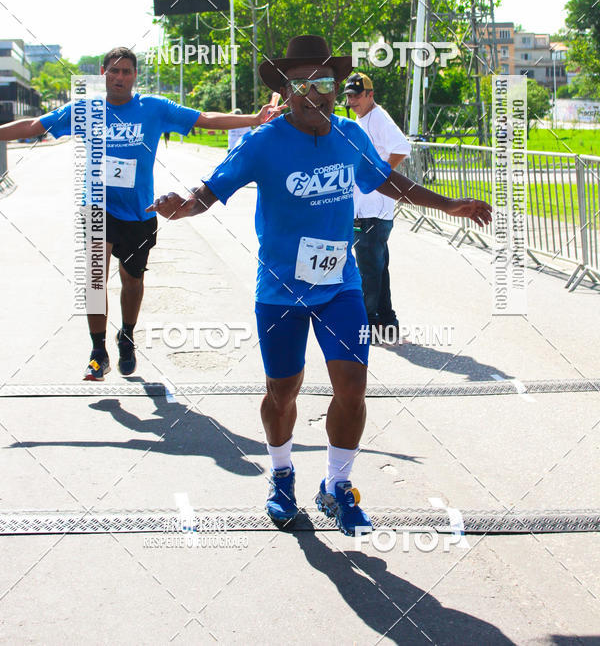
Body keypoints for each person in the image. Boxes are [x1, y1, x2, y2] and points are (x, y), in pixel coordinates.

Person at [148, 35, 492, 536]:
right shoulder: (263, 142)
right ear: (287, 91)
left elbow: (384, 180)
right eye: (305, 83)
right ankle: (282, 474)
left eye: (326, 82)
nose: (318, 92)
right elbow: (211, 189)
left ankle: (337, 486)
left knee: (353, 387)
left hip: (339, 286)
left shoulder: (350, 134)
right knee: (282, 391)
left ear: (335, 88)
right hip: (281, 292)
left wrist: (448, 204)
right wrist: (180, 204)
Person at [0, 46, 278, 382]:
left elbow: (204, 118)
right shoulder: (85, 110)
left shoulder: (153, 108)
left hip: (138, 211)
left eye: (126, 71)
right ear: (103, 74)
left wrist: (254, 119)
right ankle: (97, 351)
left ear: (135, 76)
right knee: (94, 278)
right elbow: (33, 125)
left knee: (133, 281)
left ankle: (127, 336)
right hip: (97, 205)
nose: (119, 77)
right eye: (113, 71)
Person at [344, 71, 411, 341]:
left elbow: (401, 147)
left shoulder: (378, 118)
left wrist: (380, 176)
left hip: (373, 208)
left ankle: (369, 324)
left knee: (368, 269)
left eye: (357, 96)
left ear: (370, 95)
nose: (352, 101)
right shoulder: (363, 119)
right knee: (378, 267)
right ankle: (387, 320)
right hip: (368, 207)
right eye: (349, 96)